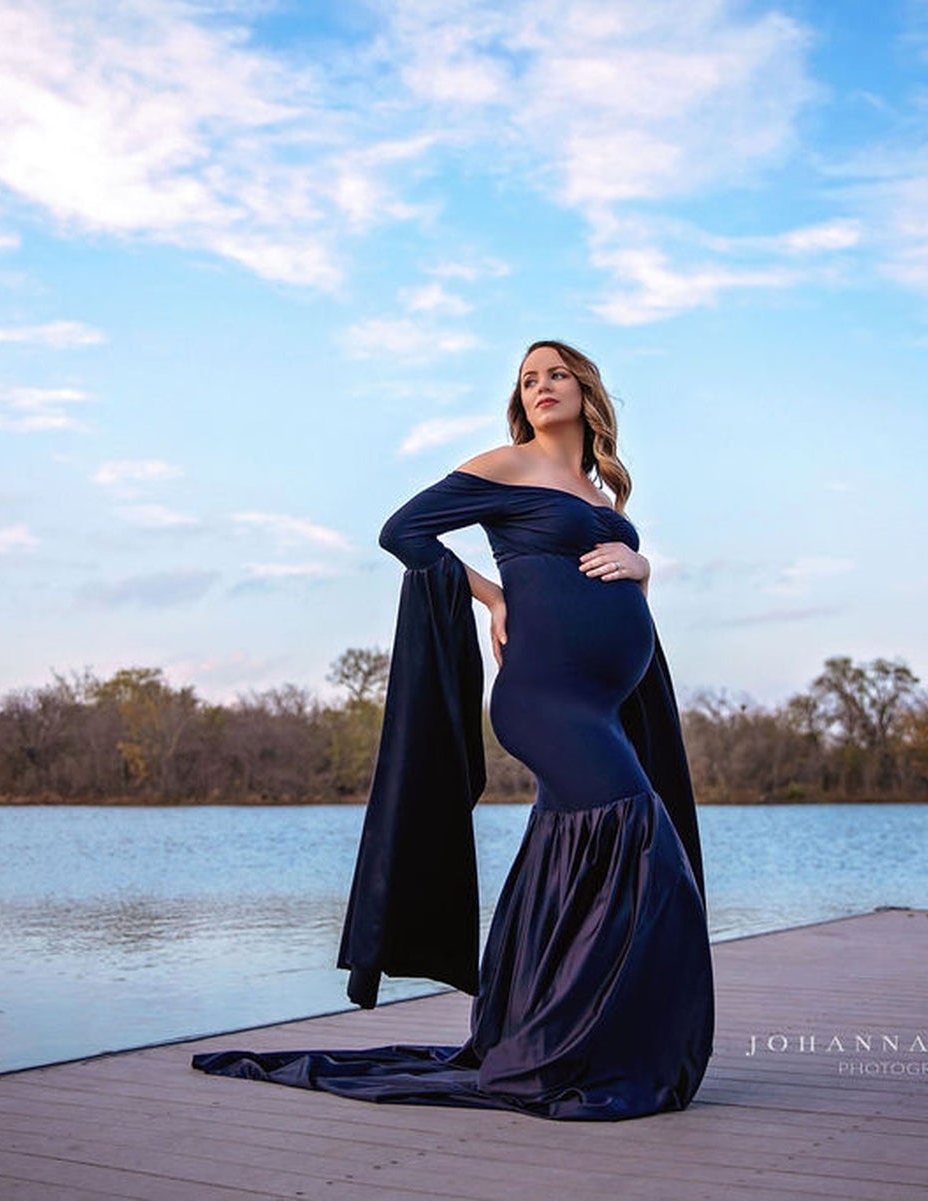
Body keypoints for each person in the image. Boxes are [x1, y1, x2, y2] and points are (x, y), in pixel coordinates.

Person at [192, 341, 713, 1120]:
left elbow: (616, 580)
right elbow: (403, 531)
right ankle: (586, 1046)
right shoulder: (508, 465)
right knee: (644, 843)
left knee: (566, 867)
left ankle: (543, 1032)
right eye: (529, 379)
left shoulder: (600, 490)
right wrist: (494, 597)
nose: (542, 386)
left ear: (586, 388)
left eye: (556, 374)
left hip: (607, 705)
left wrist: (644, 569)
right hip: (545, 701)